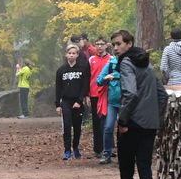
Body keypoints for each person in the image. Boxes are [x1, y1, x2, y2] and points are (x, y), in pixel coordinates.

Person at [115, 44, 163, 179]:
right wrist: (157, 120)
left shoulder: (126, 63)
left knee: (126, 171)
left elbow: (130, 93)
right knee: (145, 170)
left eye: (118, 43)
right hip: (149, 125)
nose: (115, 48)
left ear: (129, 44)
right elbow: (162, 95)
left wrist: (123, 120)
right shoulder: (148, 65)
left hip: (131, 125)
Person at [54, 44, 91, 160]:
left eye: (73, 53)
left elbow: (85, 86)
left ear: (77, 55)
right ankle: (67, 150)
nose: (71, 55)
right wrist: (57, 105)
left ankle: (75, 147)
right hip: (65, 101)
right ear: (66, 55)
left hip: (77, 102)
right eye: (69, 53)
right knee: (66, 126)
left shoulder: (82, 69)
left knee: (77, 126)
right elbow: (58, 88)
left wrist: (79, 101)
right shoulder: (61, 70)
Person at [98, 32, 128, 163]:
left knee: (125, 129)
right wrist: (106, 78)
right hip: (112, 102)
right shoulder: (110, 63)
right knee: (108, 127)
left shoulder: (129, 63)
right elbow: (98, 81)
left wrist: (116, 76)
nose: (116, 49)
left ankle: (126, 154)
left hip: (126, 102)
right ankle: (107, 154)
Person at [88, 40, 112, 160]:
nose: (99, 46)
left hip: (107, 93)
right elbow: (88, 76)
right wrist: (86, 94)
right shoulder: (91, 59)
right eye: (97, 44)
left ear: (106, 46)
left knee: (108, 121)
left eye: (102, 44)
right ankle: (98, 149)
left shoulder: (111, 59)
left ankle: (109, 148)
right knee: (96, 121)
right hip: (94, 93)